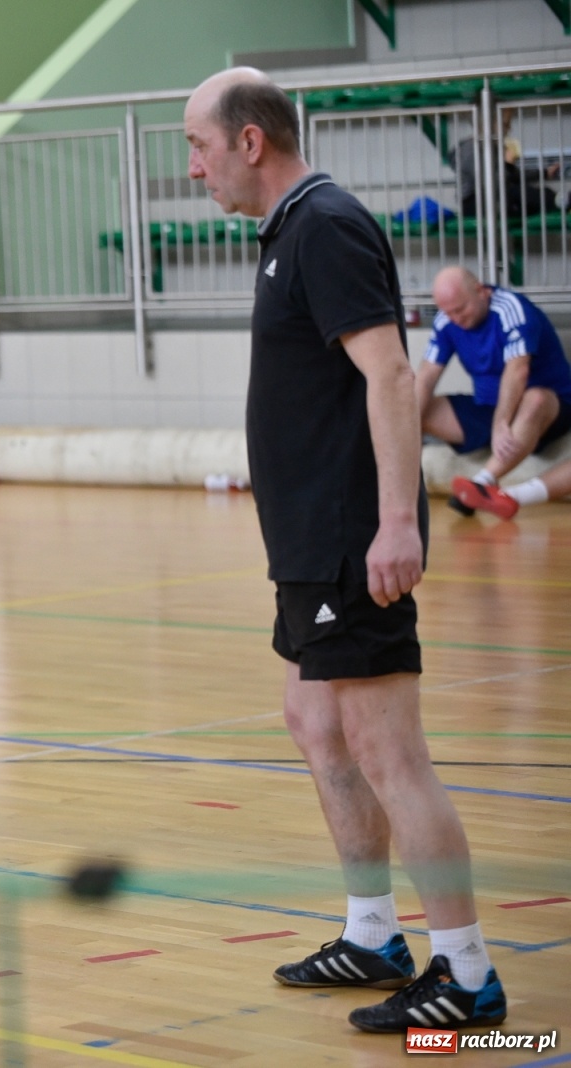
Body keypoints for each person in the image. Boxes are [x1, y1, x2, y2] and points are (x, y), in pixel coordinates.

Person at [184, 67, 506, 1034]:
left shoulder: (324, 225)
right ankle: (374, 933)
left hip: (347, 543)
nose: (192, 168)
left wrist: (398, 521)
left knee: (385, 747)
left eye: (199, 146)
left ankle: (469, 974)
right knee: (316, 726)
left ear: (250, 142)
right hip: (308, 549)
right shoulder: (290, 232)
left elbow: (392, 375)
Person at [418, 267, 571, 517]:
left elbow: (517, 371)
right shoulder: (446, 319)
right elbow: (425, 378)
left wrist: (502, 423)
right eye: (448, 312)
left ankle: (483, 480)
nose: (455, 318)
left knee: (536, 399)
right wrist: (403, 427)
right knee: (421, 407)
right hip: (490, 407)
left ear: (481, 291)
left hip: (546, 409)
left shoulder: (511, 309)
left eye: (460, 309)